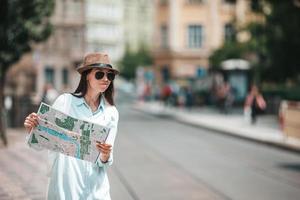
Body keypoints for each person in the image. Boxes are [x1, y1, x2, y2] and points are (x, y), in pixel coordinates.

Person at [23, 52, 119, 200]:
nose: (106, 79)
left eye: (110, 76)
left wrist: (106, 156)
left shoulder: (111, 113)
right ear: (87, 75)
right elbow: (41, 143)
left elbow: (104, 162)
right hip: (67, 187)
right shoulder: (65, 102)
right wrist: (33, 129)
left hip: (97, 190)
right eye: (99, 74)